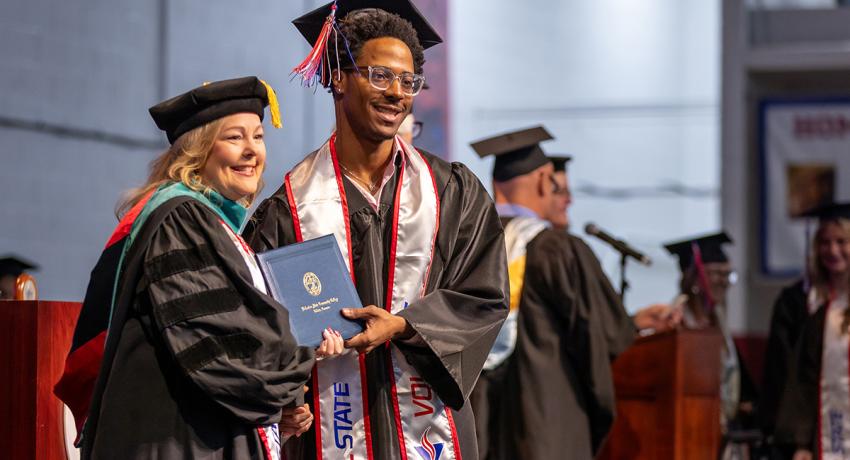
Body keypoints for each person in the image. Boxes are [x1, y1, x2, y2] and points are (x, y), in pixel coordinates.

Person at [243, 2, 509, 459]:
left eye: (408, 81)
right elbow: (259, 331)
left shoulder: (453, 193)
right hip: (327, 434)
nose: (397, 94)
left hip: (431, 435)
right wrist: (285, 400)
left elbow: (485, 298)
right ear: (338, 77)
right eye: (380, 76)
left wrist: (406, 326)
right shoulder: (287, 210)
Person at [54, 77, 344, 459]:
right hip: (173, 442)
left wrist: (274, 410)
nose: (251, 152)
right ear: (197, 151)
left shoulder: (215, 225)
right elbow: (217, 343)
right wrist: (303, 356)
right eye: (234, 138)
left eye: (258, 137)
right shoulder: (183, 218)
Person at [467, 126, 636, 460]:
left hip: (478, 423)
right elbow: (604, 334)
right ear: (546, 180)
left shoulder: (468, 246)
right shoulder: (558, 249)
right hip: (547, 425)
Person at [664, 232, 759, 455]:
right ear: (694, 278)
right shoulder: (675, 322)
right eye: (716, 274)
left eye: (728, 275)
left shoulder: (719, 322)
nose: (724, 282)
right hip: (691, 431)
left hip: (725, 437)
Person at [774, 203, 850, 460]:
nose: (833, 250)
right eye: (825, 242)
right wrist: (801, 442)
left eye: (842, 241)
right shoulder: (808, 303)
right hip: (825, 432)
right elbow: (802, 378)